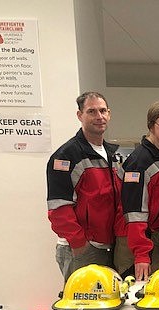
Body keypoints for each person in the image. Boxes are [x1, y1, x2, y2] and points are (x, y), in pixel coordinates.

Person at [46, 91, 120, 281]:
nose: (99, 117)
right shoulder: (65, 156)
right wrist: (80, 244)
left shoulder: (112, 155)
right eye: (92, 111)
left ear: (109, 114)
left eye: (103, 111)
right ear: (80, 115)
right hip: (81, 249)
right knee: (82, 306)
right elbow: (59, 209)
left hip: (108, 246)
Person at [115, 101, 159, 281]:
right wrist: (141, 254)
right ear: (151, 125)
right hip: (136, 245)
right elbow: (134, 213)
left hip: (155, 240)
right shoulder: (139, 162)